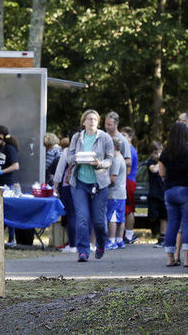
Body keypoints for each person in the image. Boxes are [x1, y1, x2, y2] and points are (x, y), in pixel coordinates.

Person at [67, 110, 114, 262]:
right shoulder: (77, 137)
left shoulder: (105, 137)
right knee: (82, 218)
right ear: (84, 122)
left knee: (99, 221)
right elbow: (69, 157)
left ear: (98, 122)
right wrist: (78, 158)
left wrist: (98, 163)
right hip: (79, 183)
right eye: (89, 119)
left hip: (99, 184)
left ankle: (101, 243)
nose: (92, 121)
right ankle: (83, 251)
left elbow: (110, 159)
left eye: (94, 119)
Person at [158, 122, 188, 267]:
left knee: (172, 224)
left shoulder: (165, 152)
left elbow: (162, 173)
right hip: (187, 191)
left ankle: (170, 258)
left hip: (170, 192)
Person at [54, 137, 76, 252]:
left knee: (71, 214)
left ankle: (73, 244)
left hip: (68, 185)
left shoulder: (67, 151)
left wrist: (56, 187)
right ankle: (86, 243)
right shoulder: (88, 150)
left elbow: (59, 170)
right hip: (85, 185)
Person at [106, 136, 127, 250]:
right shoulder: (121, 158)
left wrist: (103, 184)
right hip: (121, 193)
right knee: (120, 217)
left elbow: (113, 178)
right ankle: (120, 240)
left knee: (112, 217)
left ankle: (111, 240)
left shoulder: (116, 160)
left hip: (114, 193)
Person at [145, 141, 167, 247]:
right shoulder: (150, 162)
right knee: (153, 216)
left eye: (160, 152)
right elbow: (154, 170)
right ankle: (155, 232)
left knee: (164, 217)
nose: (158, 155)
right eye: (155, 153)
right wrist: (160, 160)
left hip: (163, 192)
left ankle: (163, 237)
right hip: (154, 193)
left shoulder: (164, 162)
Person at [120, 126, 139, 244]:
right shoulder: (128, 149)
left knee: (129, 208)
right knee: (125, 208)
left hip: (128, 180)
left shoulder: (130, 150)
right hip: (127, 180)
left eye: (124, 136)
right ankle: (126, 233)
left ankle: (129, 234)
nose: (121, 138)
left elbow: (127, 168)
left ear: (130, 137)